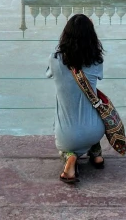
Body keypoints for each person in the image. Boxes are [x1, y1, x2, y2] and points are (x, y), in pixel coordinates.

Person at [46, 14, 106, 184]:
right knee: (93, 113)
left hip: (67, 136)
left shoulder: (55, 59)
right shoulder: (96, 61)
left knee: (64, 143)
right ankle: (96, 154)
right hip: (96, 131)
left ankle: (70, 158)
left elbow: (48, 74)